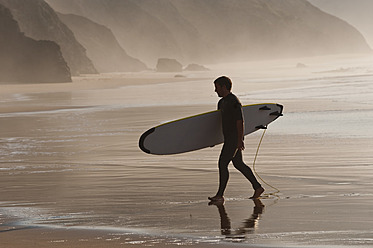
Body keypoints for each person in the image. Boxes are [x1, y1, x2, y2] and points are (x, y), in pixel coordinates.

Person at [208, 76, 264, 202]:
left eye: (217, 88)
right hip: (228, 138)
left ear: (223, 87)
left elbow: (240, 121)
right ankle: (258, 187)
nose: (215, 91)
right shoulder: (221, 103)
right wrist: (212, 140)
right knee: (238, 164)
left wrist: (240, 140)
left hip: (234, 138)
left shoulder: (234, 101)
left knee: (223, 163)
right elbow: (220, 123)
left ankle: (220, 195)